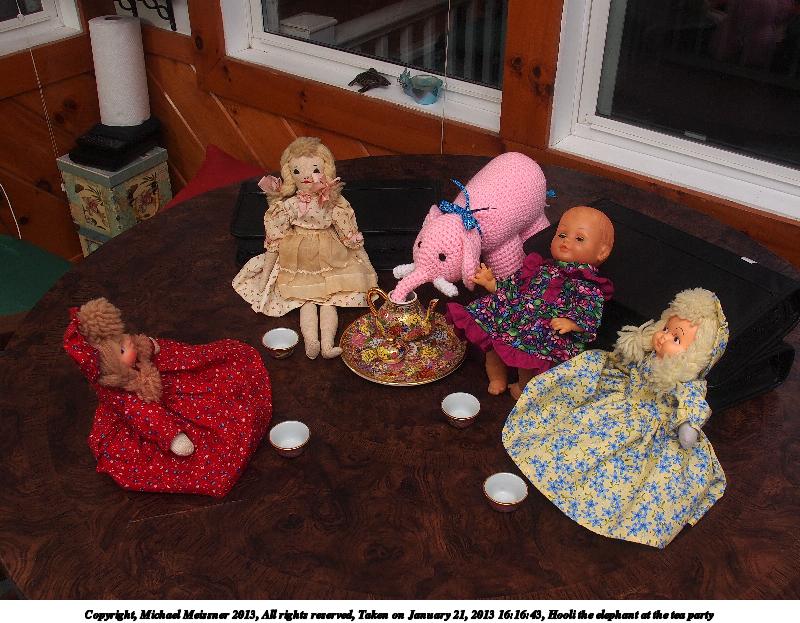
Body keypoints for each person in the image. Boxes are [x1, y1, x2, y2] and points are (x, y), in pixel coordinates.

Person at [502, 288, 729, 548]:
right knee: (579, 433)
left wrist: (687, 424)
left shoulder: (685, 383)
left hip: (651, 426)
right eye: (666, 328)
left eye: (676, 339)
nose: (664, 337)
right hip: (621, 405)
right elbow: (625, 365)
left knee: (628, 473)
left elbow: (692, 405)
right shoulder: (649, 357)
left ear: (696, 356)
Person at [64, 298, 272, 498]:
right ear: (111, 371)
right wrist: (172, 436)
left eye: (121, 336)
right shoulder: (124, 398)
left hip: (167, 382)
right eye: (122, 349)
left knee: (222, 371)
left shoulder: (132, 353)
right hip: (154, 418)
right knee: (217, 439)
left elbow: (154, 348)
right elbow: (148, 417)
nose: (128, 341)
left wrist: (149, 345)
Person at [446, 206, 614, 398]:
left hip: (543, 328)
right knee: (491, 342)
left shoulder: (587, 286)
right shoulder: (538, 268)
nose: (566, 241)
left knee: (528, 359)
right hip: (514, 313)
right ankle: (497, 377)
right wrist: (492, 283)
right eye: (562, 234)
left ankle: (522, 388)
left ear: (602, 252)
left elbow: (591, 312)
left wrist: (572, 323)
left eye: (579, 238)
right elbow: (514, 286)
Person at [232, 137, 378, 359]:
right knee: (307, 301)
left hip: (329, 254)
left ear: (325, 170)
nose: (307, 176)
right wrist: (265, 276)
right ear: (290, 174)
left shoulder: (331, 202)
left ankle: (327, 345)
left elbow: (349, 234)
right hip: (298, 257)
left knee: (329, 300)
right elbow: (275, 239)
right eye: (297, 171)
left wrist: (367, 265)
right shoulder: (288, 205)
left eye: (315, 169)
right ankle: (311, 342)